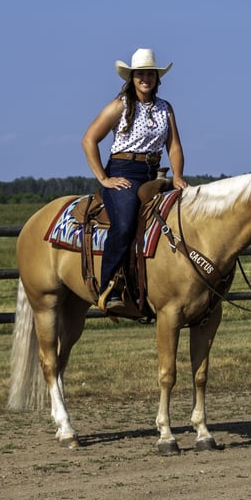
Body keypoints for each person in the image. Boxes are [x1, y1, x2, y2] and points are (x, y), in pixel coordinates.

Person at [82, 48, 189, 313]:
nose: (145, 79)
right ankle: (110, 286)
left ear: (157, 77)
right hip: (124, 171)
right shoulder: (120, 105)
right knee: (126, 222)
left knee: (180, 217)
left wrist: (177, 176)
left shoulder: (166, 108)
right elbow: (89, 140)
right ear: (132, 78)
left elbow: (173, 146)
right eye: (140, 74)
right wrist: (104, 178)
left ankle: (166, 284)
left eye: (150, 74)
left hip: (153, 174)